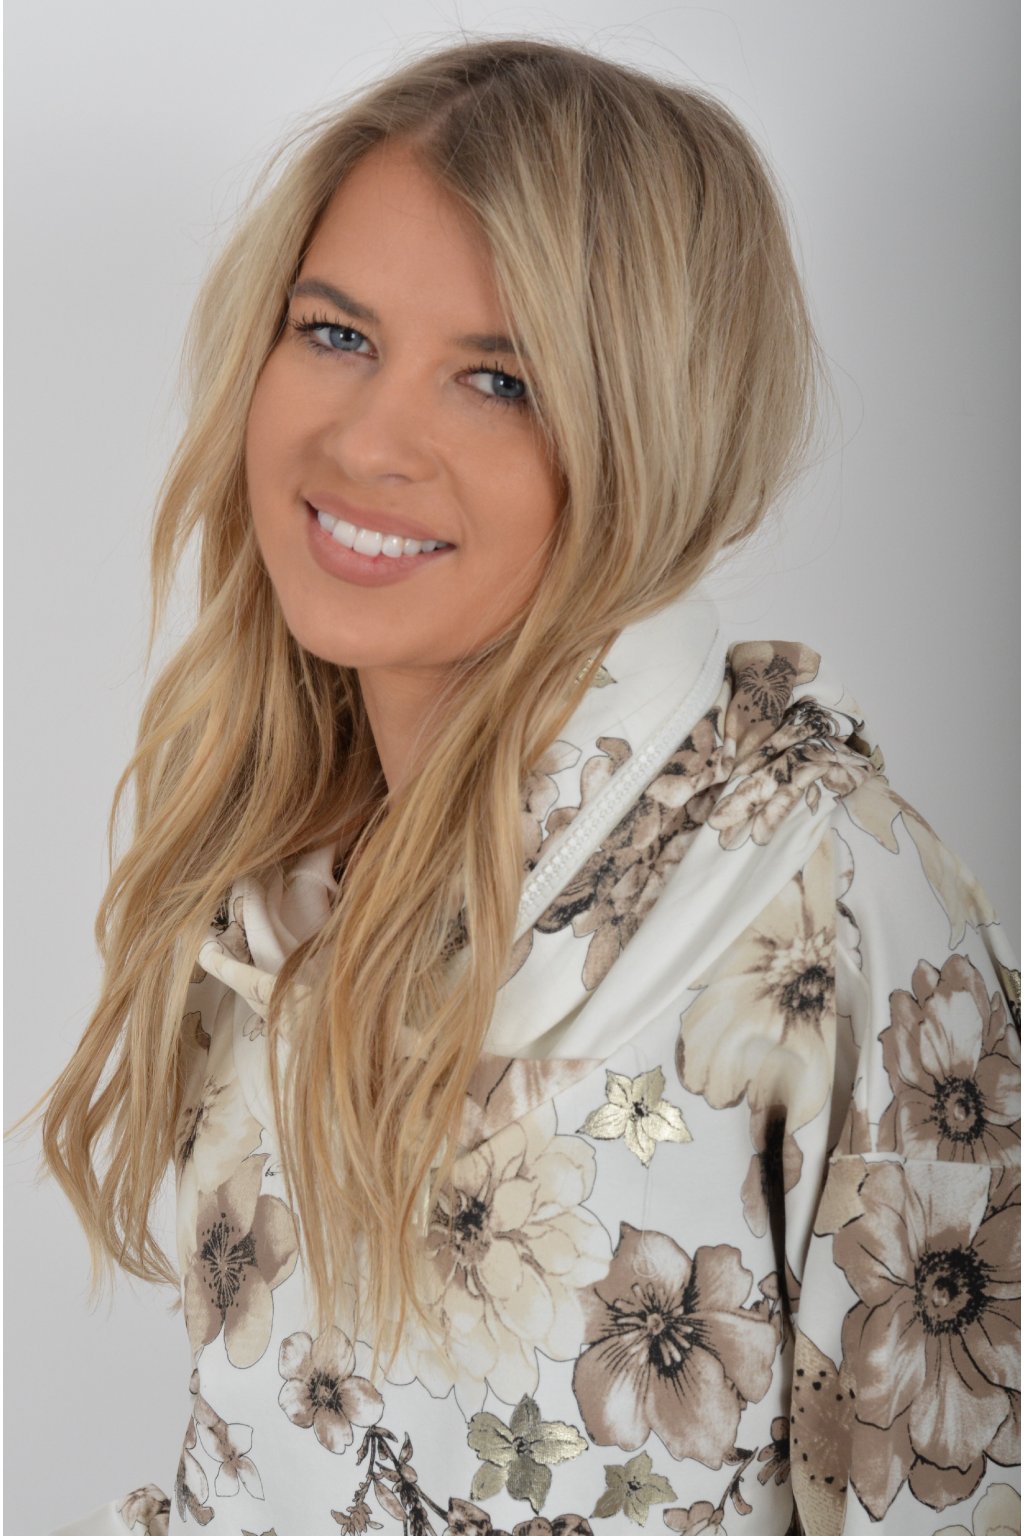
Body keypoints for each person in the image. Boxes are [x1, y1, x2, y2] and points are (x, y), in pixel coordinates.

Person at [33, 35, 1018, 1536]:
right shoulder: (275, 856)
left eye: (500, 379)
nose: (367, 440)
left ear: (655, 431)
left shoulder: (823, 901)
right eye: (336, 333)